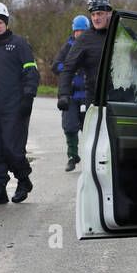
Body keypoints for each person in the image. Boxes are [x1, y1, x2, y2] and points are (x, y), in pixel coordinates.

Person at [0, 1, 39, 204]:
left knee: (12, 148)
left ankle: (23, 180)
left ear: (6, 23)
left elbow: (31, 72)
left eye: (0, 22)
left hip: (15, 106)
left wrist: (28, 97)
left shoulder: (19, 43)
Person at [57, 0, 112, 118]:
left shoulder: (121, 33)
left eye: (100, 14)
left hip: (122, 99)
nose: (96, 18)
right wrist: (64, 95)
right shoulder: (84, 39)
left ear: (109, 14)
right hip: (96, 102)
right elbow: (68, 68)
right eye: (93, 15)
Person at [51, 14, 90, 170]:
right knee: (70, 126)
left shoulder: (93, 45)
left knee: (89, 129)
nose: (79, 34)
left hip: (88, 96)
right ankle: (72, 157)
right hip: (71, 96)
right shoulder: (67, 47)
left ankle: (90, 159)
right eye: (77, 31)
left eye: (82, 31)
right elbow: (56, 66)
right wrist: (69, 70)